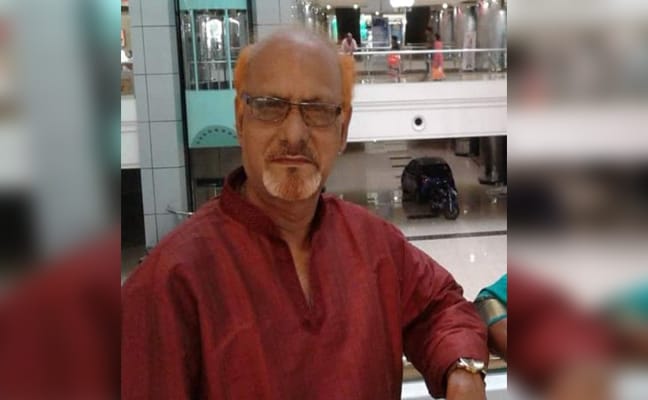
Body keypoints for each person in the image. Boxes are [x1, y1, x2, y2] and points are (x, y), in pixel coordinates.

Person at [122, 28, 488, 400]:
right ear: (241, 119)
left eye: (317, 111)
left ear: (343, 129)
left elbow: (439, 306)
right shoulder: (168, 285)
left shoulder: (373, 243)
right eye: (269, 106)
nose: (295, 134)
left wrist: (462, 368)